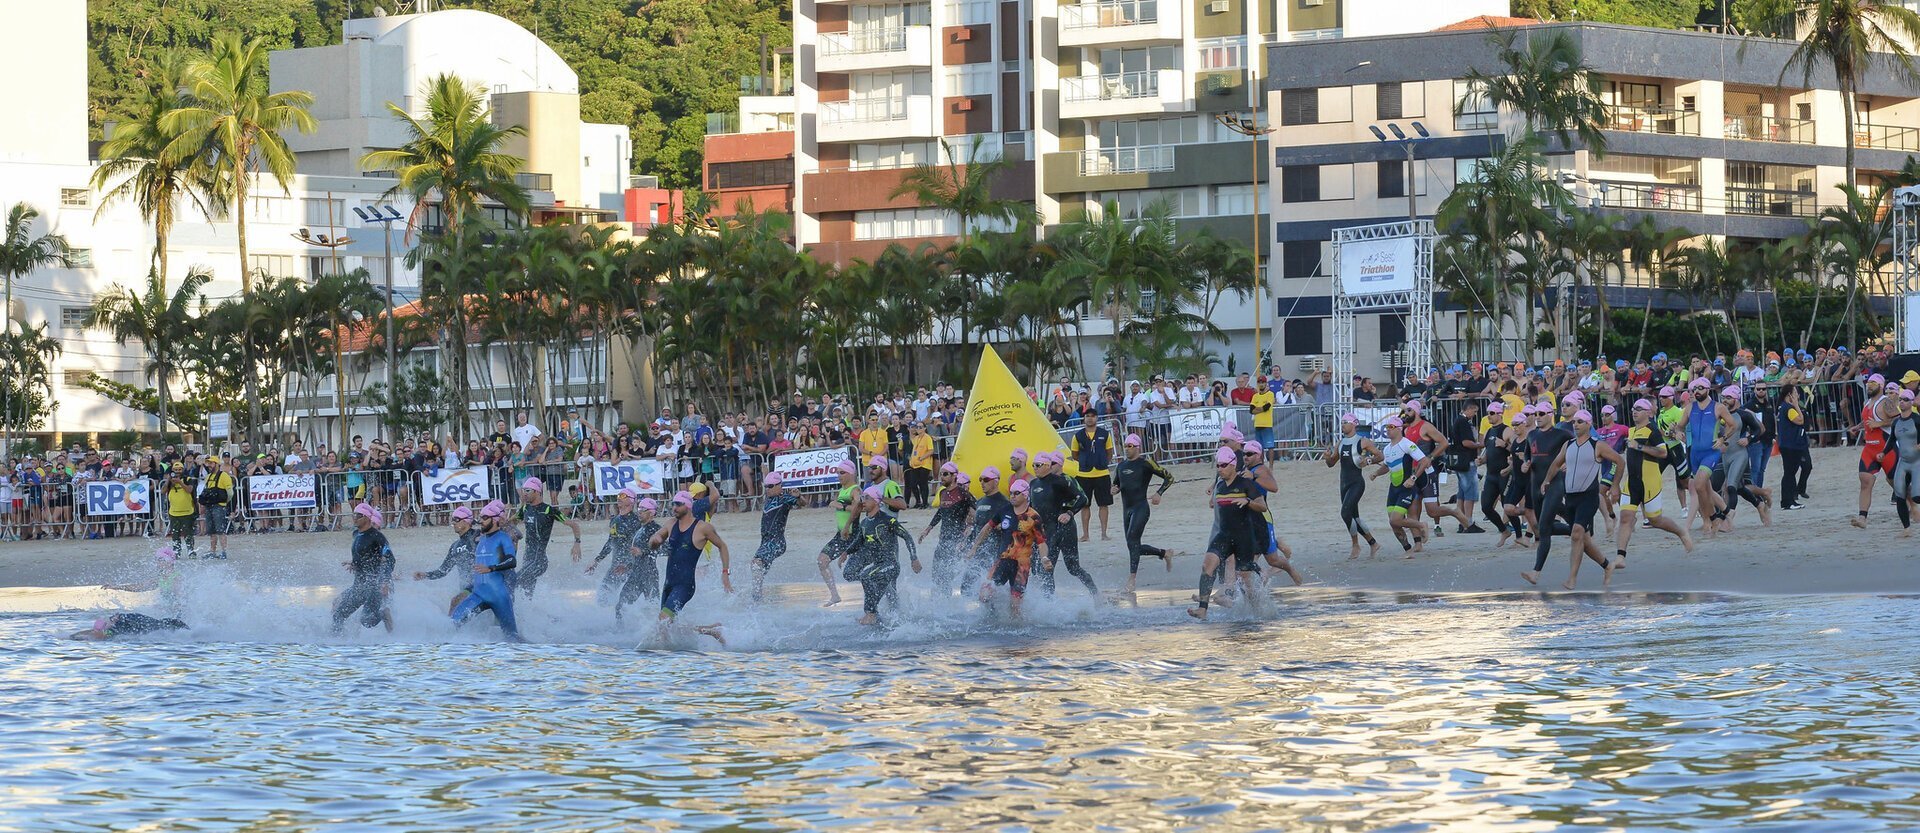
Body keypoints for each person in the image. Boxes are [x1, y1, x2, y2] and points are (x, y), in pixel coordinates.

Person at [1535, 410, 1620, 589]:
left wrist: (1615, 485)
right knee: (1584, 539)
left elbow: (1619, 461)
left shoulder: (1598, 445)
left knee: (1576, 534)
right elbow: (1556, 463)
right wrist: (1547, 480)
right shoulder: (1569, 445)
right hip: (1571, 497)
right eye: (1574, 422)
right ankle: (1607, 565)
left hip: (1588, 497)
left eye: (1580, 421)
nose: (1576, 425)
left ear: (1589, 424)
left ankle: (1572, 579)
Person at [1188, 447, 1267, 621]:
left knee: (1245, 581)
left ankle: (1258, 612)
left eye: (1223, 465)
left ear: (1233, 465)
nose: (1220, 469)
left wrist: (1247, 501)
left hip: (1243, 538)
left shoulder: (1245, 484)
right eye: (1217, 465)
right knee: (1207, 565)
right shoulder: (1220, 486)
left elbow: (1262, 506)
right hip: (1223, 535)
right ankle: (1202, 609)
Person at [1613, 398, 1694, 567]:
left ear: (1649, 413)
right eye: (1634, 408)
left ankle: (1681, 532)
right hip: (1632, 481)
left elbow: (1663, 453)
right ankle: (1621, 556)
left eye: (1639, 409)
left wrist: (1639, 447)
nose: (1634, 411)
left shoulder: (1653, 431)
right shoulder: (1631, 431)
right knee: (1626, 517)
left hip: (1650, 481)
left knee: (1655, 520)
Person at [646, 490, 731, 645]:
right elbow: (654, 540)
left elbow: (722, 546)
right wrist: (655, 540)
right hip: (668, 585)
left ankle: (665, 656)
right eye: (673, 504)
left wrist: (725, 573)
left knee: (663, 621)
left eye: (678, 504)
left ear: (688, 506)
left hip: (684, 586)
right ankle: (710, 631)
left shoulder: (703, 528)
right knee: (667, 626)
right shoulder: (671, 524)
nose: (674, 508)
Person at [842, 485, 920, 626]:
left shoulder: (887, 520)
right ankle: (881, 615)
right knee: (853, 575)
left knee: (866, 576)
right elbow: (858, 542)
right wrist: (845, 553)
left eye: (867, 497)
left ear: (877, 501)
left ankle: (870, 614)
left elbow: (907, 537)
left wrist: (914, 558)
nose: (863, 501)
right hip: (879, 566)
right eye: (862, 497)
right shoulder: (865, 522)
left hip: (891, 564)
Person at [1112, 433, 1178, 592]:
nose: (1127, 449)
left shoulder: (1146, 463)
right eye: (1125, 446)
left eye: (1130, 446)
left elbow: (1169, 477)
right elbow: (1116, 485)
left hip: (1141, 507)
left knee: (1133, 541)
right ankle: (1164, 553)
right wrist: (1114, 489)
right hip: (1126, 509)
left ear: (1137, 447)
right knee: (1133, 546)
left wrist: (1159, 493)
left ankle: (1131, 580)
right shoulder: (1120, 466)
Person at [976, 479, 1047, 619]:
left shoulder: (1034, 517)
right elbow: (987, 528)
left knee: (1015, 607)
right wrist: (974, 548)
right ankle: (993, 617)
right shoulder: (1004, 510)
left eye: (1016, 493)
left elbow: (1041, 542)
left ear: (1026, 495)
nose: (1012, 496)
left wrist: (1044, 558)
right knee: (984, 596)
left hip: (1021, 566)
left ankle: (1018, 632)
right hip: (1003, 561)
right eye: (1011, 493)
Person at [1028, 452, 1096, 597]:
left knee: (1073, 568)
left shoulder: (1061, 481)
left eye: (1038, 465)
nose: (1035, 468)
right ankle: (1048, 603)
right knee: (1043, 568)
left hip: (1064, 529)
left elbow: (1082, 498)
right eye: (1033, 465)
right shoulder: (1033, 484)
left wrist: (1069, 513)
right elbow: (1031, 507)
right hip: (1046, 531)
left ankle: (1094, 592)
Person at [330, 503, 395, 635]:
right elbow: (366, 555)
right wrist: (355, 563)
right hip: (359, 586)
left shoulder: (377, 537)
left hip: (374, 586)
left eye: (359, 515)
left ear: (367, 517)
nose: (355, 518)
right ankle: (336, 642)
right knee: (338, 615)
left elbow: (390, 559)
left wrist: (385, 581)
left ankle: (382, 614)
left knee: (366, 621)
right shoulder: (357, 535)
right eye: (354, 514)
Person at [1369, 416, 1431, 556]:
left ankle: (1422, 525)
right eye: (1386, 427)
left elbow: (1424, 461)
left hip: (1406, 487)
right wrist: (1376, 473)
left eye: (1390, 427)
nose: (1387, 431)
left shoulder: (1406, 444)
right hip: (1394, 488)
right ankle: (1408, 549)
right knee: (1394, 523)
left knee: (1396, 519)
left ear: (1398, 429)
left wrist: (1413, 478)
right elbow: (1387, 466)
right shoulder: (1387, 449)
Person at [1324, 414, 1383, 560]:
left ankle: (1355, 544)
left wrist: (1368, 461)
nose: (1343, 425)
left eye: (1345, 422)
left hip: (1357, 483)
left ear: (1354, 424)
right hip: (1344, 483)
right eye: (1342, 422)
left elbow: (1380, 456)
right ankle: (1373, 543)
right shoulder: (1341, 443)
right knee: (1354, 517)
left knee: (1345, 513)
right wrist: (1327, 458)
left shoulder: (1363, 442)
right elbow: (1331, 464)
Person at [514, 476, 582, 597]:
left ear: (537, 492)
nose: (524, 494)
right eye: (523, 490)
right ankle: (529, 613)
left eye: (527, 490)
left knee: (515, 582)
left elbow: (574, 525)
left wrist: (577, 543)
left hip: (539, 561)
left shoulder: (548, 510)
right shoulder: (525, 508)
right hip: (528, 558)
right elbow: (511, 523)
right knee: (526, 593)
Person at [919, 463, 977, 595]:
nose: (941, 477)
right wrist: (928, 529)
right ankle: (939, 603)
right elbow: (941, 512)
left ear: (954, 475)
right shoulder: (943, 493)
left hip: (957, 540)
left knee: (947, 575)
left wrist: (970, 527)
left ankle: (950, 602)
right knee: (936, 574)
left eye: (945, 474)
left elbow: (978, 511)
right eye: (940, 474)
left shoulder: (963, 493)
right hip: (943, 540)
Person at [585, 488, 648, 605]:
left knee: (629, 602)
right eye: (618, 495)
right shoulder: (615, 520)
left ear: (631, 501)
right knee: (603, 598)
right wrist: (596, 561)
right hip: (615, 567)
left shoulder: (636, 522)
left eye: (623, 496)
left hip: (631, 568)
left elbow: (641, 548)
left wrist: (629, 565)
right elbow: (610, 543)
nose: (619, 498)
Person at [1853, 374, 1899, 529]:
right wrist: (1858, 427)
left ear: (1880, 385)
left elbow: (1898, 419)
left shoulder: (1885, 401)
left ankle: (1912, 506)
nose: (1869, 385)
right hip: (1870, 449)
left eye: (1873, 383)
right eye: (1868, 383)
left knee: (1897, 484)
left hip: (1886, 449)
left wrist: (1879, 423)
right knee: (1865, 482)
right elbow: (1868, 421)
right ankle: (1862, 518)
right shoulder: (1868, 402)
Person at [414, 505, 480, 607]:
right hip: (467, 589)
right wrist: (425, 575)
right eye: (452, 519)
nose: (453, 522)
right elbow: (443, 571)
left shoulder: (478, 536)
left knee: (455, 602)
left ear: (466, 521)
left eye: (456, 519)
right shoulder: (455, 546)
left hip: (480, 585)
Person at [748, 473, 800, 600]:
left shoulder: (784, 499)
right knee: (759, 570)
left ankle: (756, 599)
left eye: (770, 486)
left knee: (756, 563)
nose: (767, 489)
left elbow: (800, 502)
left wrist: (798, 496)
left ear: (779, 486)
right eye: (766, 486)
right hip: (765, 543)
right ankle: (758, 599)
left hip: (776, 542)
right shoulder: (769, 499)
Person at [612, 499, 665, 621]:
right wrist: (628, 566)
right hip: (636, 574)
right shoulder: (640, 529)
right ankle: (622, 634)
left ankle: (658, 635)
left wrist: (643, 551)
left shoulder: (656, 529)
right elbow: (638, 556)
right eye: (639, 509)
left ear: (651, 513)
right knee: (621, 606)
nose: (639, 512)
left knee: (654, 608)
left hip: (649, 575)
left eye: (643, 510)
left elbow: (666, 548)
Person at [1069, 419, 1115, 541]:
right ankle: (1085, 534)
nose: (1090, 418)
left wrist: (1103, 462)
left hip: (1102, 473)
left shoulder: (1105, 434)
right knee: (1085, 505)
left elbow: (1109, 452)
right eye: (1087, 416)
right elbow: (1074, 454)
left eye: (1092, 416)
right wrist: (1085, 462)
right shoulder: (1078, 435)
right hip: (1084, 474)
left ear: (1096, 418)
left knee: (1104, 504)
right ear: (1084, 419)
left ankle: (1104, 533)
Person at [1888, 388, 1920, 535]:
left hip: (1917, 462)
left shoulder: (1917, 419)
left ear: (1912, 402)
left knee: (1916, 496)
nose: (1902, 401)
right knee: (1899, 494)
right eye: (1901, 399)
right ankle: (1906, 529)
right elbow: (1891, 440)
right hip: (1903, 461)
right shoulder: (1896, 422)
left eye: (1906, 399)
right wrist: (1883, 452)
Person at [1776, 384, 1812, 511]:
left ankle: (1788, 500)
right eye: (1795, 393)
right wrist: (1796, 404)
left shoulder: (1782, 408)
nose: (1797, 395)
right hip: (1790, 445)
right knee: (1789, 474)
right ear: (1790, 395)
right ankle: (1788, 501)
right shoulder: (1789, 408)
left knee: (1789, 473)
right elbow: (1800, 420)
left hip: (1788, 444)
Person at [198, 458, 237, 560]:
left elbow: (230, 493)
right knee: (211, 530)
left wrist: (224, 503)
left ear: (217, 464)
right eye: (208, 463)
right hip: (209, 506)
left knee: (220, 529)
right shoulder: (208, 477)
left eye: (211, 463)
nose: (209, 465)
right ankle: (213, 550)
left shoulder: (224, 476)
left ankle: (224, 551)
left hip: (219, 506)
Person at [70, 612, 188, 641]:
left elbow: (99, 634)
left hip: (151, 624)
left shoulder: (112, 631)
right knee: (165, 624)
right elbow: (93, 631)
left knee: (167, 626)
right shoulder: (115, 621)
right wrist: (72, 636)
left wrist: (76, 637)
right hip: (148, 622)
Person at [164, 468, 198, 559]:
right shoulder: (170, 482)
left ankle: (190, 550)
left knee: (188, 533)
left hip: (187, 512)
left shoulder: (187, 479)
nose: (177, 472)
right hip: (174, 513)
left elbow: (189, 490)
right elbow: (163, 491)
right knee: (175, 534)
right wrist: (168, 480)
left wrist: (180, 482)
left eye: (180, 469)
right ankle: (176, 551)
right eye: (175, 470)